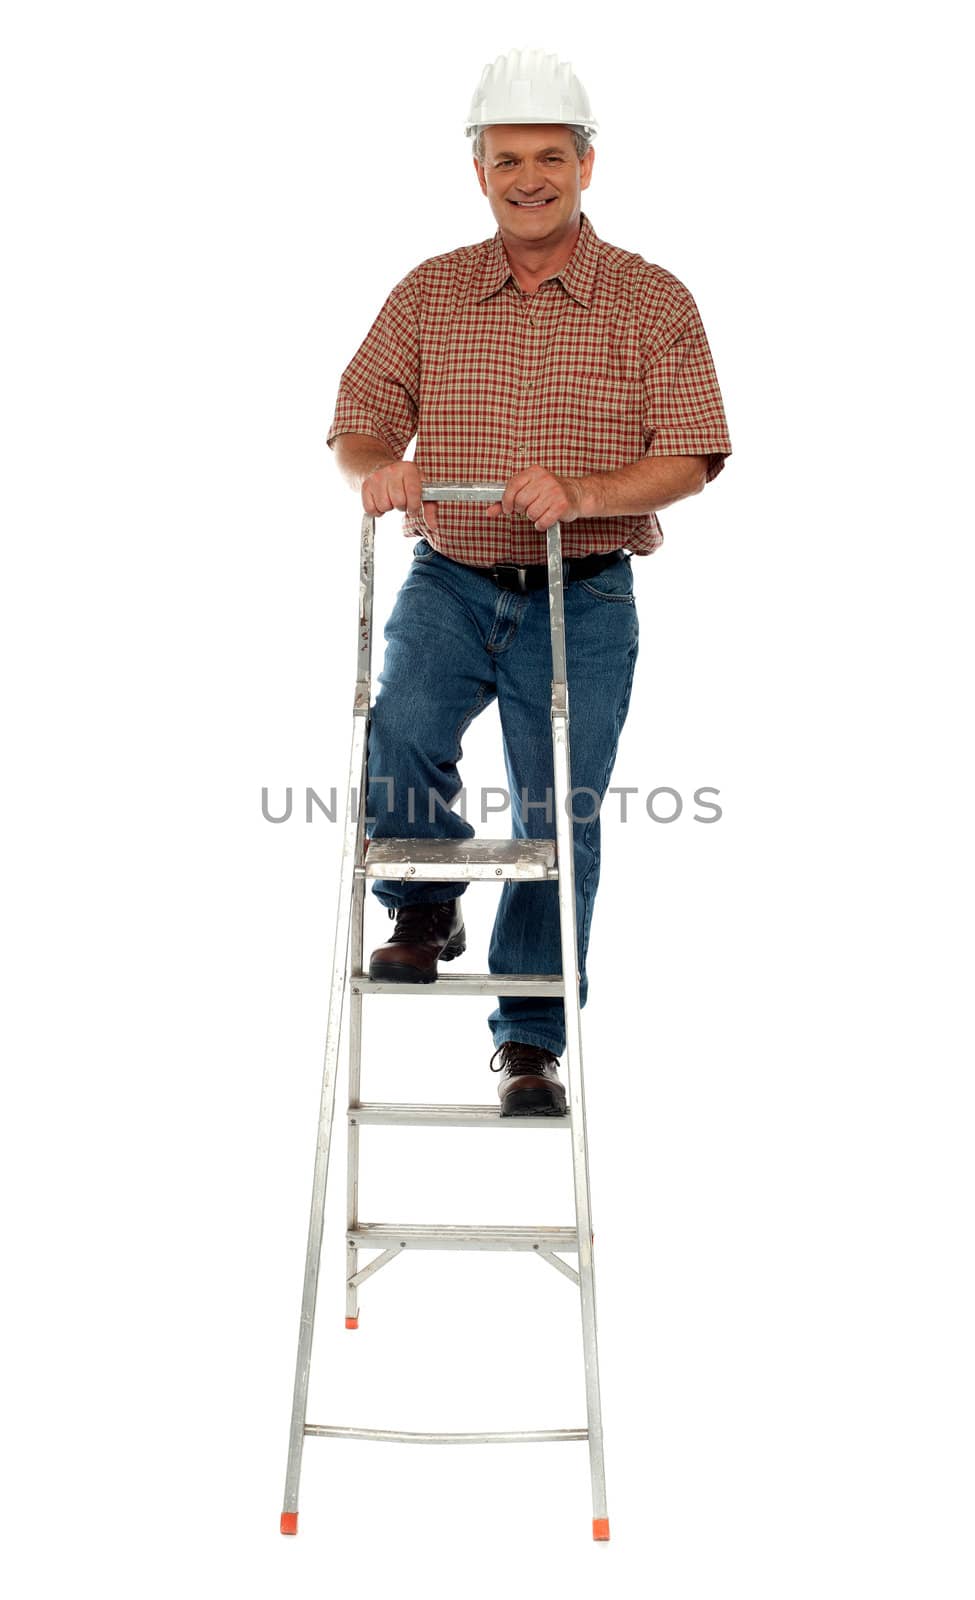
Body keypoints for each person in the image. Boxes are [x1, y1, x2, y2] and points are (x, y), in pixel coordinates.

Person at [327, 48, 732, 1115]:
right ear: (479, 168)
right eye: (508, 158)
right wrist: (385, 470)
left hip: (582, 594)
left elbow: (690, 456)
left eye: (551, 156)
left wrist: (590, 487)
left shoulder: (653, 301)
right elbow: (359, 424)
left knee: (562, 815)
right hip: (450, 579)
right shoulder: (430, 290)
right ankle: (423, 901)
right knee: (400, 725)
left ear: (588, 165)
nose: (529, 177)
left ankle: (531, 1035)